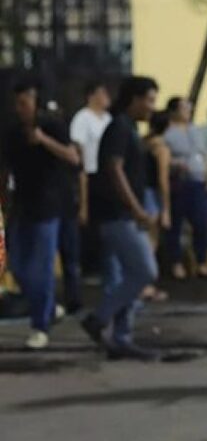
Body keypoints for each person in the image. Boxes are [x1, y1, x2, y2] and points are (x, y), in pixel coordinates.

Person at [80, 76, 161, 361]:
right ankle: (99, 318)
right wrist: (136, 208)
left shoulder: (128, 128)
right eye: (149, 100)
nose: (152, 107)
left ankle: (121, 338)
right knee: (144, 272)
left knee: (129, 276)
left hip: (124, 214)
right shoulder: (120, 127)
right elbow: (115, 170)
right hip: (117, 215)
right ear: (134, 99)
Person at [1, 77, 82, 349]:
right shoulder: (12, 132)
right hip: (21, 205)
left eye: (25, 103)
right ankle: (46, 307)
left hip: (49, 205)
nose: (20, 108)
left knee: (42, 268)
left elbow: (73, 157)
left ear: (36, 103)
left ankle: (40, 326)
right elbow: (6, 168)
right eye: (18, 103)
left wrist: (44, 140)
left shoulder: (53, 126)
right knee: (16, 265)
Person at [163, 97, 207, 279]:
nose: (188, 111)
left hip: (198, 182)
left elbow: (204, 156)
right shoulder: (167, 133)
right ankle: (176, 263)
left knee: (202, 223)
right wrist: (174, 164)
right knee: (176, 225)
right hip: (179, 183)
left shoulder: (196, 131)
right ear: (174, 111)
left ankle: (202, 263)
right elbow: (161, 158)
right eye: (184, 108)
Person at [70, 80, 112, 281]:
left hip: (106, 175)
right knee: (90, 223)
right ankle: (89, 267)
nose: (106, 97)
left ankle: (105, 265)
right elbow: (78, 146)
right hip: (90, 173)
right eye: (102, 93)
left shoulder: (108, 119)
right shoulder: (83, 118)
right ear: (91, 96)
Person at [140, 112, 173, 303]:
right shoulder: (161, 148)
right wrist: (166, 209)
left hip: (138, 193)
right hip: (151, 195)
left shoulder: (143, 143)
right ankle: (146, 286)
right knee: (150, 243)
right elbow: (163, 180)